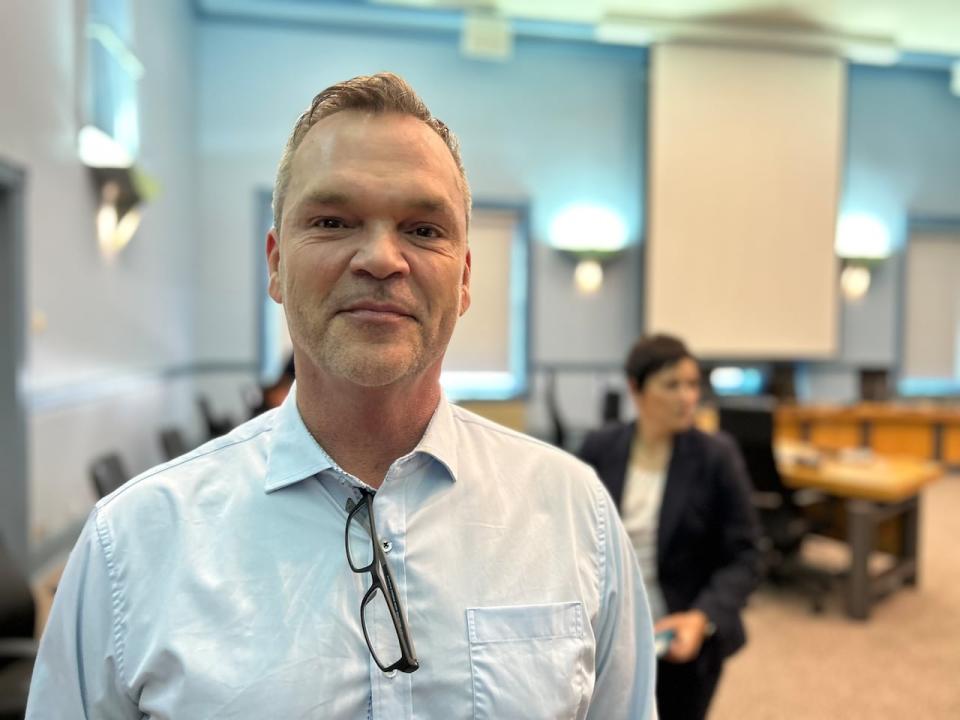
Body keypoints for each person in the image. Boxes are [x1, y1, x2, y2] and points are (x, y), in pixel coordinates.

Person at [27, 73, 656, 718]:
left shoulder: (576, 519)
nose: (382, 259)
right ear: (275, 263)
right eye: (332, 220)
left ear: (465, 277)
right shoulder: (132, 546)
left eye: (423, 229)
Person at [578, 334, 761, 720]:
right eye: (672, 385)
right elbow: (572, 538)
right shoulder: (600, 448)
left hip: (682, 637)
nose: (688, 397)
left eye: (693, 384)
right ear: (636, 389)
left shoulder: (716, 457)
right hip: (607, 634)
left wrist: (702, 617)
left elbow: (746, 556)